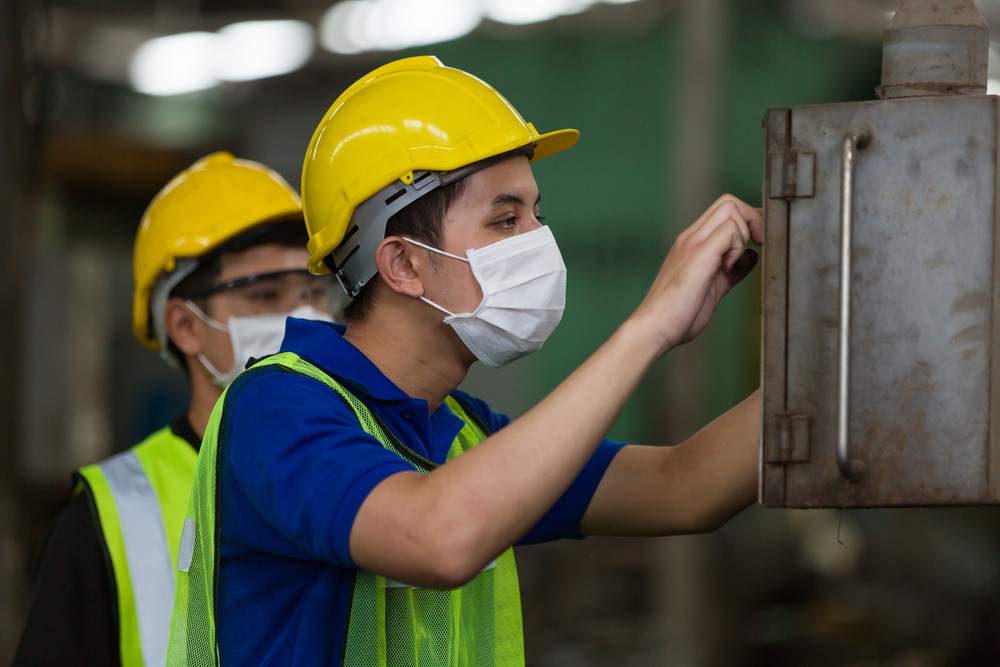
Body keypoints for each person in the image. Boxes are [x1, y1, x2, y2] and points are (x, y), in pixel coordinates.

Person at [168, 57, 763, 667]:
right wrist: (650, 327)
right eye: (506, 221)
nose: (538, 242)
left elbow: (683, 488)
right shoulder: (276, 408)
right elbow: (438, 537)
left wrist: (833, 346)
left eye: (537, 216)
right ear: (402, 264)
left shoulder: (458, 433)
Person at [13, 152, 334, 667]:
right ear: (185, 326)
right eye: (267, 294)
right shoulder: (107, 517)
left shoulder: (361, 468)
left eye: (313, 291)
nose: (303, 317)